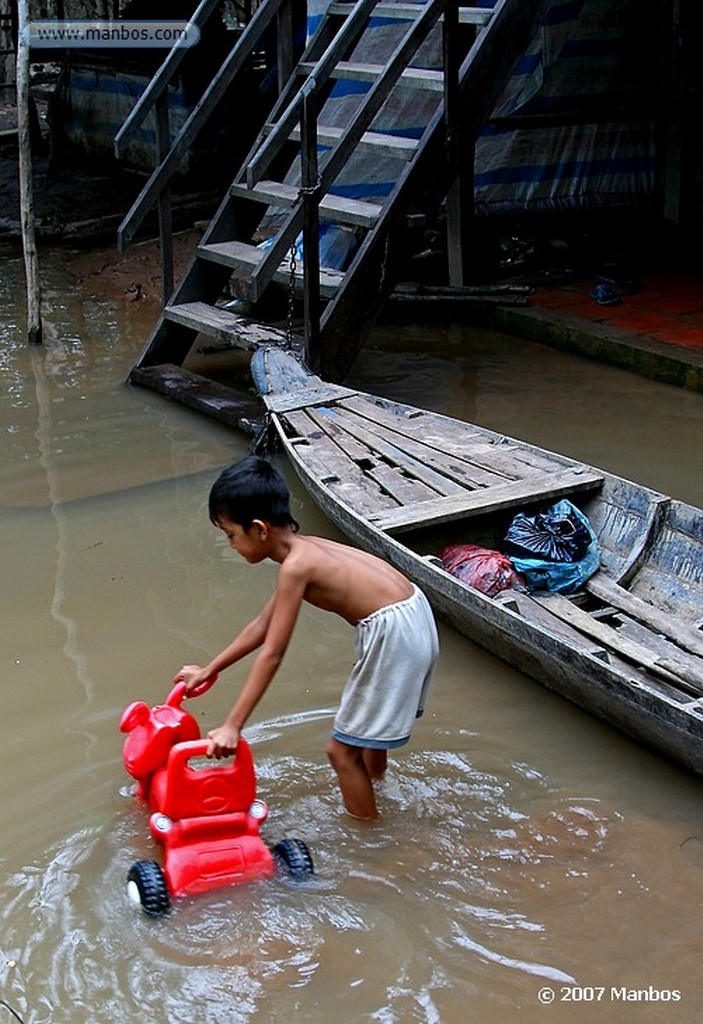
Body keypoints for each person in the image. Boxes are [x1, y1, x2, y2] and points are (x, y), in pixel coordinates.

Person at [173, 455, 439, 820]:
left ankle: (372, 841)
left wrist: (234, 724)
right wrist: (210, 669)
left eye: (231, 535)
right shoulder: (304, 549)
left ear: (259, 529)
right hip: (413, 613)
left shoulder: (297, 566)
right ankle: (377, 788)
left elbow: (273, 653)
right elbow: (262, 626)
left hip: (391, 631)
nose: (232, 545)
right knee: (367, 738)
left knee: (340, 752)